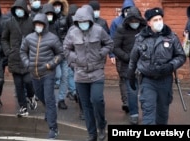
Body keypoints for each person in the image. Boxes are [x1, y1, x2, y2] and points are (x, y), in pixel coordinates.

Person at [127, 7, 186, 125]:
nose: (159, 22)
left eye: (160, 19)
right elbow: (133, 58)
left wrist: (170, 66)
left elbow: (181, 56)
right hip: (147, 80)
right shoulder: (140, 38)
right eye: (155, 20)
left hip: (165, 80)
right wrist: (130, 75)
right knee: (148, 113)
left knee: (162, 114)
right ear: (149, 23)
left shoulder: (171, 36)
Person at [63, 6, 114, 141]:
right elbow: (66, 49)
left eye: (85, 21)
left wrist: (101, 53)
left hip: (97, 72)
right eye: (80, 21)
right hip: (80, 74)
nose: (82, 23)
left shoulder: (99, 30)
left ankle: (101, 125)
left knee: (97, 100)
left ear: (90, 20)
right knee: (86, 105)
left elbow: (109, 43)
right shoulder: (72, 32)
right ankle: (92, 133)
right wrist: (74, 61)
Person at [20, 12, 63, 139]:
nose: (38, 26)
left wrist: (50, 65)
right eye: (36, 24)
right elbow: (22, 51)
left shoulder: (53, 38)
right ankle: (50, 112)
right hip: (34, 74)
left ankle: (53, 128)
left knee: (49, 100)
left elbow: (60, 54)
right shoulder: (29, 38)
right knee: (40, 95)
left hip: (48, 74)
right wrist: (27, 63)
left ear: (45, 25)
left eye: (40, 24)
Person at [1, 0, 37, 117]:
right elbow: (4, 38)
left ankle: (31, 96)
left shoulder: (31, 22)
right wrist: (7, 51)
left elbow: (36, 38)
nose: (19, 11)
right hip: (14, 58)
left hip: (27, 57)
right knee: (18, 85)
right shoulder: (9, 23)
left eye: (20, 9)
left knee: (28, 81)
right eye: (17, 9)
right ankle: (23, 107)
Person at [113, 6, 146, 125]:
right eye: (132, 21)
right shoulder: (121, 29)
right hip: (128, 66)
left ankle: (147, 113)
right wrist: (127, 57)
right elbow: (115, 47)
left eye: (136, 21)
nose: (134, 23)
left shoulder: (145, 28)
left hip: (144, 65)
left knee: (146, 90)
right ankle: (134, 114)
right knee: (132, 92)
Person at [110, 0, 135, 114]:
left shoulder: (138, 22)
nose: (128, 12)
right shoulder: (116, 22)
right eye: (126, 10)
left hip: (135, 56)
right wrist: (111, 54)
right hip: (121, 55)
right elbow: (111, 39)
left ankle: (133, 101)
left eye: (130, 9)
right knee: (123, 78)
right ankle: (126, 102)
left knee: (135, 79)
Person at [48, 0, 69, 110]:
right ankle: (51, 98)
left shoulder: (66, 17)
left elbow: (70, 32)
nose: (57, 7)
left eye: (58, 5)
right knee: (57, 75)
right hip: (53, 52)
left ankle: (61, 99)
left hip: (64, 51)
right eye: (54, 5)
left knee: (65, 76)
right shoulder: (48, 19)